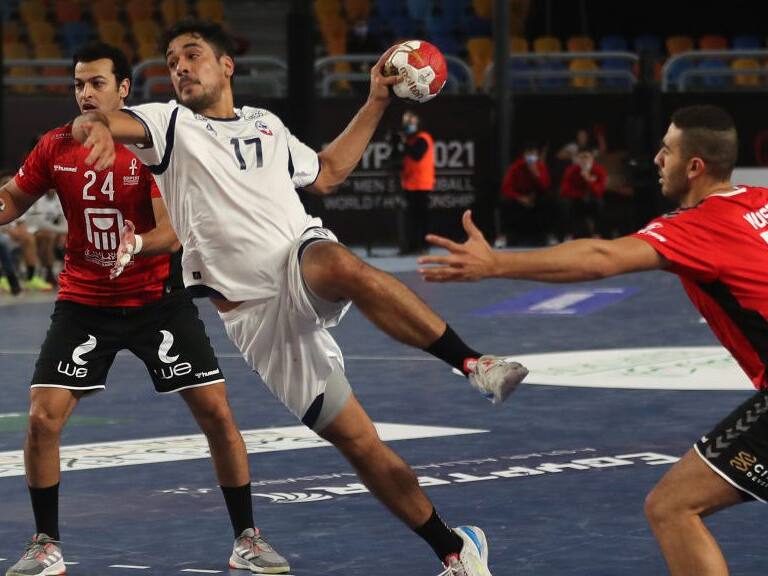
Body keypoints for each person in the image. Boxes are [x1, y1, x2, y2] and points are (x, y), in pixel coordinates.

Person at [73, 19, 529, 576]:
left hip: (297, 261)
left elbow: (330, 172)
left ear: (226, 65)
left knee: (335, 260)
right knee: (361, 445)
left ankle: (472, 363)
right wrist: (94, 128)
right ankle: (455, 550)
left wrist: (376, 99)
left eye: (191, 55)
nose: (180, 68)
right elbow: (104, 120)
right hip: (258, 322)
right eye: (171, 62)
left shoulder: (266, 125)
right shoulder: (169, 124)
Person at [419, 105, 766, 576]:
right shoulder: (759, 200)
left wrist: (498, 264)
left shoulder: (699, 226)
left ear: (695, 166)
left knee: (672, 507)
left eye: (667, 149)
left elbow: (601, 256)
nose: (658, 158)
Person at [1, 42, 289, 576]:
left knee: (217, 414)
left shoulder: (149, 147)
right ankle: (46, 546)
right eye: (79, 85)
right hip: (84, 303)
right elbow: (13, 200)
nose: (86, 93)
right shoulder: (56, 146)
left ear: (125, 89)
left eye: (98, 84)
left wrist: (135, 246)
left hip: (158, 300)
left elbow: (173, 230)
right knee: (42, 419)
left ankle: (247, 538)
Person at [498, 143, 553, 246]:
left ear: (537, 155)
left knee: (549, 202)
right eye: (529, 153)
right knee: (505, 202)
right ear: (524, 155)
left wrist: (536, 175)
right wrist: (520, 198)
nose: (531, 157)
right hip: (519, 198)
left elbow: (546, 187)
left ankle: (548, 235)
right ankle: (504, 236)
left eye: (533, 153)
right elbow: (506, 188)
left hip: (536, 197)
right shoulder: (515, 167)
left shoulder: (541, 166)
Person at [398, 109, 435, 255]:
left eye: (411, 122)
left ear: (418, 123)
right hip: (409, 184)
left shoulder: (423, 138)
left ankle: (424, 246)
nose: (408, 125)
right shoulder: (409, 140)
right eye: (406, 122)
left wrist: (404, 143)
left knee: (422, 217)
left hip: (422, 185)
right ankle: (411, 246)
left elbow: (417, 155)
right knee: (411, 218)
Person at [559, 147, 607, 238]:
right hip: (577, 200)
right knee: (567, 204)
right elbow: (564, 191)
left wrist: (589, 180)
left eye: (587, 157)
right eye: (581, 157)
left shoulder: (599, 170)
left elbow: (599, 191)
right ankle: (570, 234)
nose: (584, 160)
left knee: (600, 203)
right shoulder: (571, 170)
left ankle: (598, 233)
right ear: (577, 159)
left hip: (593, 200)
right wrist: (580, 194)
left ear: (592, 158)